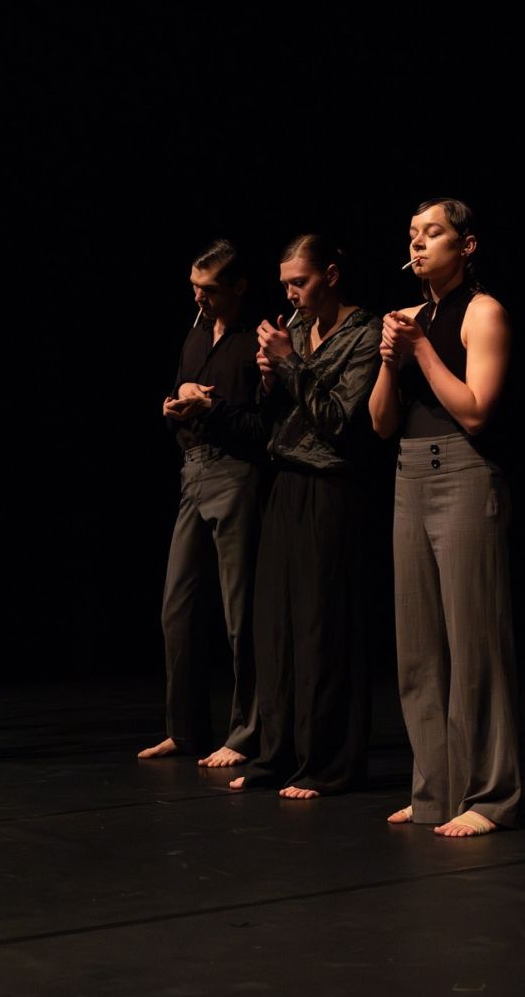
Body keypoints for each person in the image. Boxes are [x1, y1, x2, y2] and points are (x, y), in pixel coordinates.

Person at [369, 198, 520, 837]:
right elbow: (381, 423)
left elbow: (477, 409)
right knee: (418, 650)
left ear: (466, 245)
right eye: (413, 234)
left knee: (473, 644)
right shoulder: (410, 319)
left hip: (462, 470)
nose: (419, 243)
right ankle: (434, 791)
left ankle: (490, 796)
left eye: (433, 233)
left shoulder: (483, 312)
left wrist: (422, 350)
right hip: (408, 471)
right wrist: (389, 358)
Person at [229, 235, 382, 799]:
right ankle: (278, 756)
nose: (292, 294)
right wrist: (270, 378)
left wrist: (290, 365)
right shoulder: (294, 331)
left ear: (331, 276)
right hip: (285, 484)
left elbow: (337, 419)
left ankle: (326, 762)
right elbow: (277, 420)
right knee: (276, 628)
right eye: (286, 284)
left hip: (332, 488)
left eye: (301, 282)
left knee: (323, 628)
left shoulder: (364, 334)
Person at [138, 240, 269, 769]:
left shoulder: (257, 338)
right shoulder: (196, 332)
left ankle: (247, 733)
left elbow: (264, 428)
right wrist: (174, 407)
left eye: (209, 289)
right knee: (178, 609)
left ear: (238, 287)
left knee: (241, 613)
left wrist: (209, 407)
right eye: (194, 287)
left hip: (236, 473)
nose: (199, 297)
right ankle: (185, 730)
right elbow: (179, 398)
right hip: (192, 471)